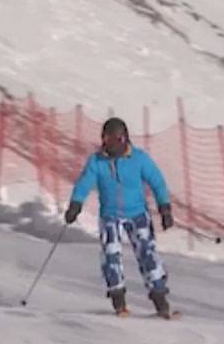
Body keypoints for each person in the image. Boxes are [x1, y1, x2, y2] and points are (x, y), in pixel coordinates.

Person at [64, 117, 175, 318]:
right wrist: (75, 204)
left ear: (123, 139)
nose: (107, 144)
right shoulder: (97, 161)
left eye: (112, 140)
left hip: (137, 214)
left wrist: (164, 208)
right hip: (111, 216)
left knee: (147, 254)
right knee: (111, 254)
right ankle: (118, 299)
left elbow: (157, 181)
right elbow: (84, 183)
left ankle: (160, 299)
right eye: (105, 139)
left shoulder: (139, 158)